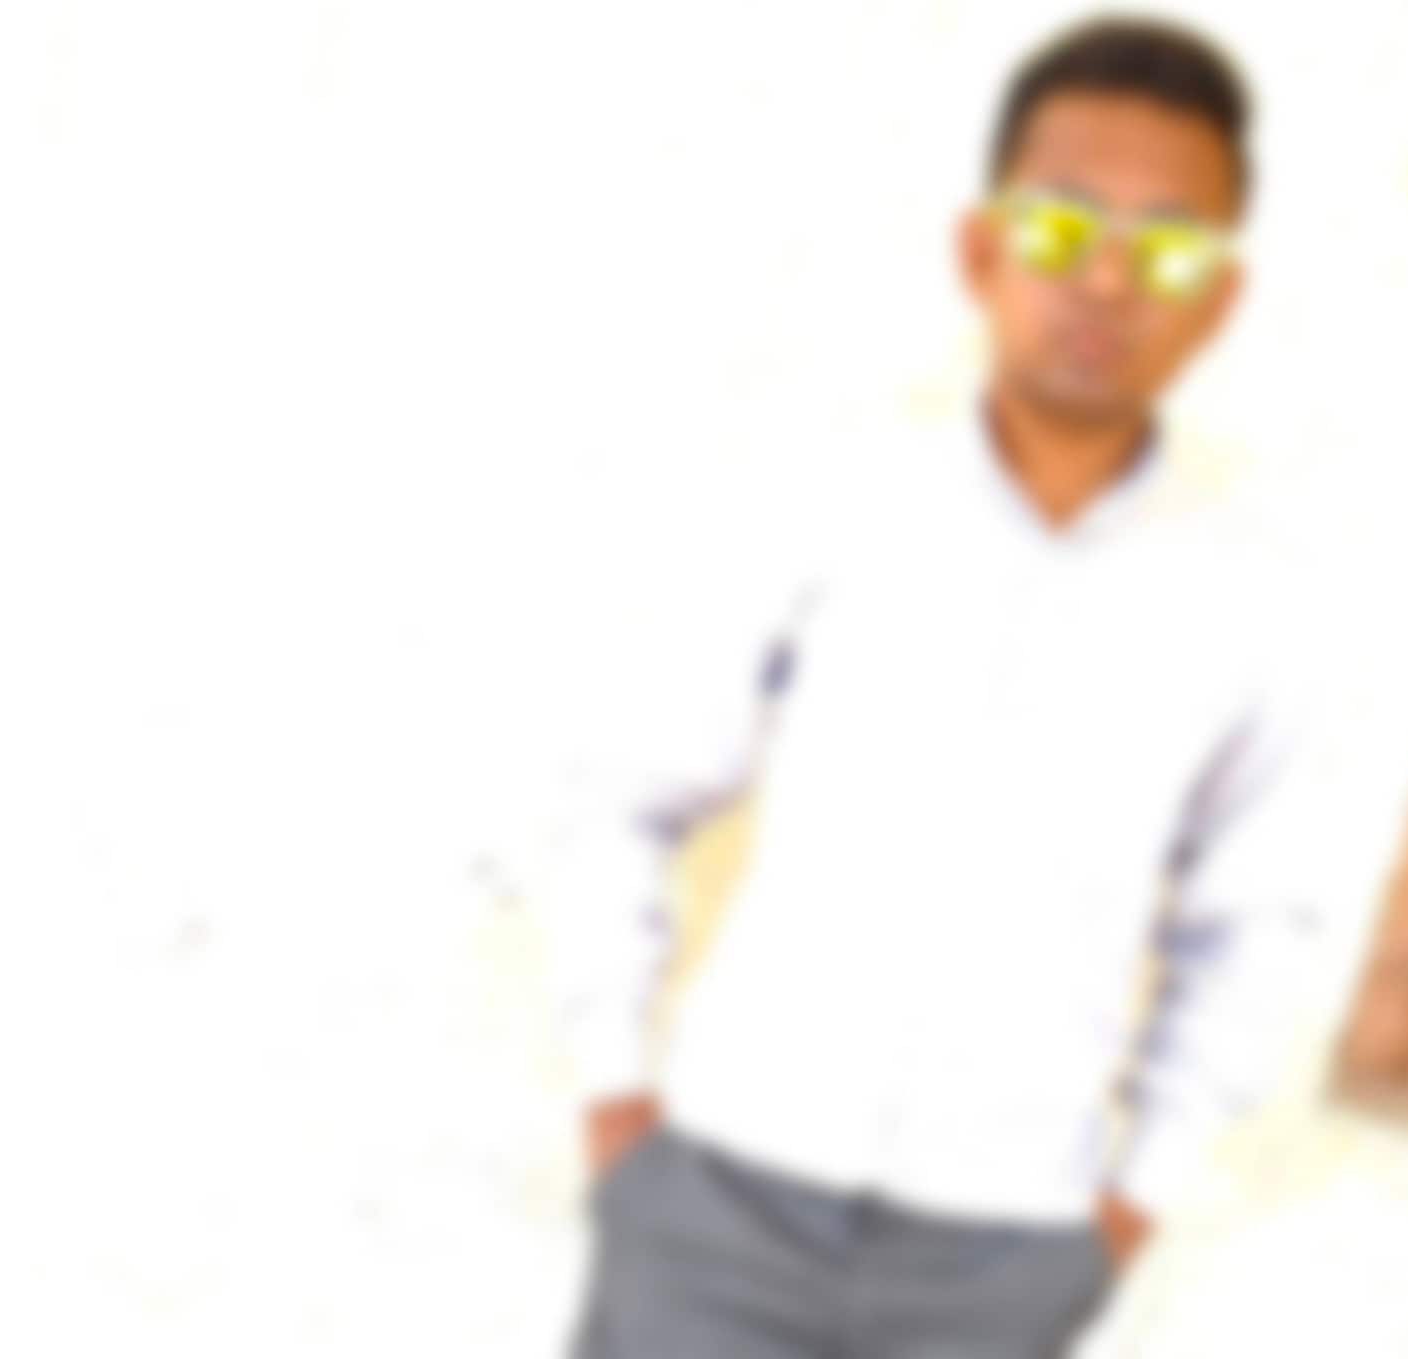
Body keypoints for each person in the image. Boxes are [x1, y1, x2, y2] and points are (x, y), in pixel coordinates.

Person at [549, 13, 1327, 1357]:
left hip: (1001, 1262)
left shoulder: (1255, 604)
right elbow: (620, 796)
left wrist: (1128, 1210)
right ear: (981, 251)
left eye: (1168, 248)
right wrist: (620, 1103)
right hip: (717, 1208)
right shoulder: (824, 500)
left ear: (1219, 299)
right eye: (1062, 227)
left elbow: (1257, 931)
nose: (1107, 282)